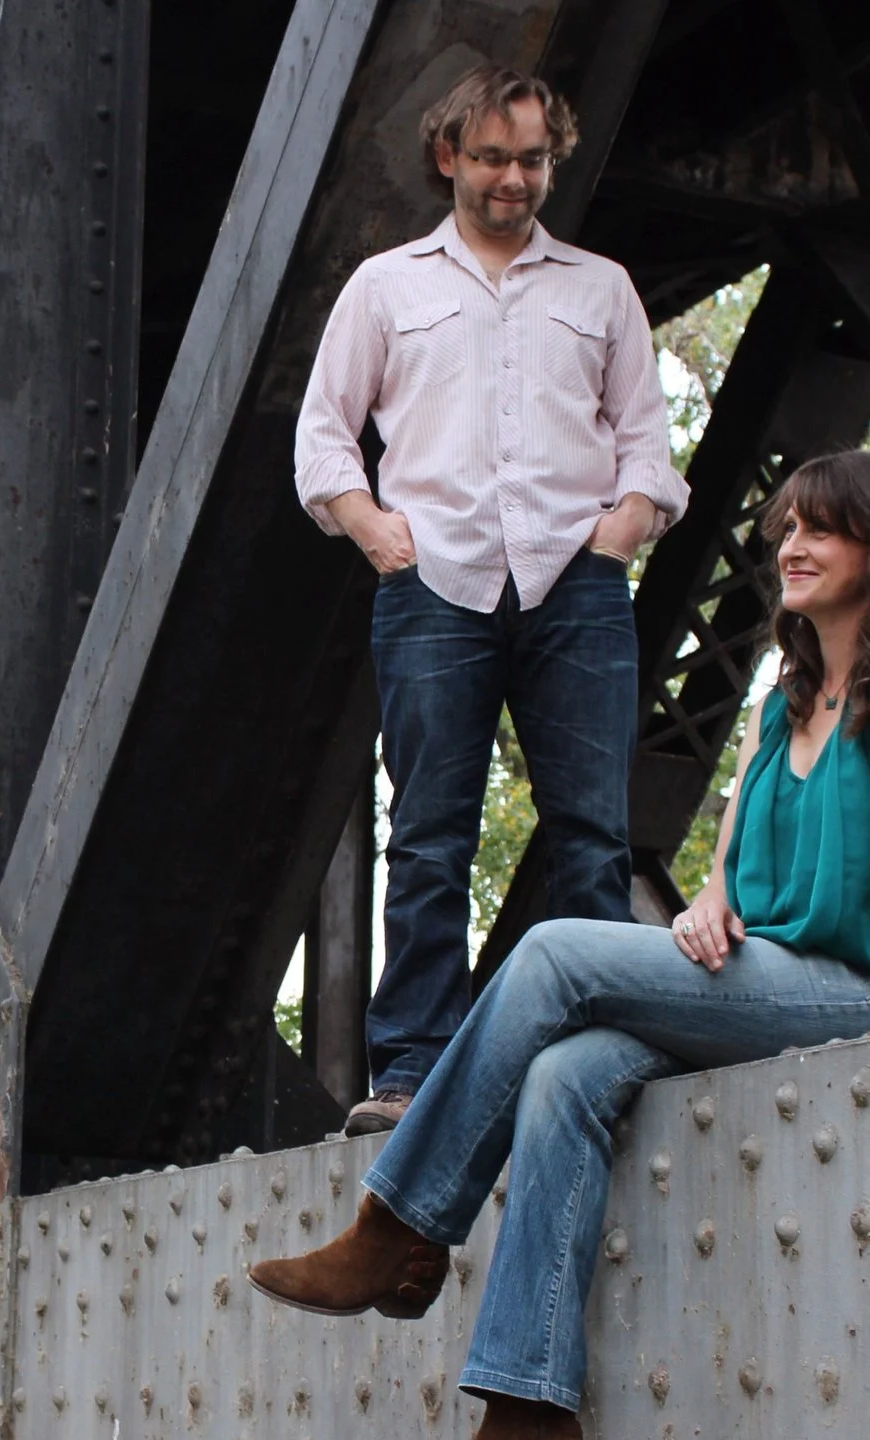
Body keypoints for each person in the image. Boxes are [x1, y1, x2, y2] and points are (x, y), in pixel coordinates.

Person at [247, 449, 870, 1440]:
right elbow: (730, 869)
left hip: (867, 996)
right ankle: (528, 1411)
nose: (791, 546)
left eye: (821, 529)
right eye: (786, 528)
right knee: (566, 1072)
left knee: (556, 951)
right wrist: (703, 908)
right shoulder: (782, 700)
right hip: (766, 978)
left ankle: (399, 1228)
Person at [295, 64, 689, 1137]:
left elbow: (647, 445)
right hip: (435, 586)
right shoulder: (386, 287)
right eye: (492, 158)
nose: (513, 179)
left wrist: (618, 534)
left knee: (592, 834)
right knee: (429, 837)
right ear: (448, 157)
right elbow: (322, 438)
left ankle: (599, 1055)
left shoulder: (600, 289)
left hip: (576, 587)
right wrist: (377, 531)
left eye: (532, 161)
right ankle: (412, 1070)